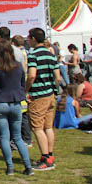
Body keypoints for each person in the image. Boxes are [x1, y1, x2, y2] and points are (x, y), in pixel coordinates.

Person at [0, 42, 33, 176]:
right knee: (18, 137)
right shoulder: (18, 66)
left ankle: (10, 167)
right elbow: (22, 84)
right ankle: (28, 166)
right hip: (15, 102)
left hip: (0, 102)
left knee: (5, 137)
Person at [26, 27, 61, 171]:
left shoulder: (33, 54)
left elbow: (32, 75)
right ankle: (49, 155)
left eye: (29, 38)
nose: (28, 40)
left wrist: (26, 90)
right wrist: (53, 89)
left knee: (37, 127)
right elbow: (57, 77)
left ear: (33, 39)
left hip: (38, 95)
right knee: (48, 127)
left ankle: (46, 158)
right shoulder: (50, 53)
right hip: (50, 94)